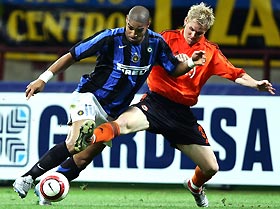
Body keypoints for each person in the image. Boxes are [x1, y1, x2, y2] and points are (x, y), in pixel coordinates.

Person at [59, 2, 275, 208]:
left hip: (181, 114)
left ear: (205, 32)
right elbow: (139, 54)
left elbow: (235, 74)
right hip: (155, 103)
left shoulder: (210, 53)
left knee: (211, 167)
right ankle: (73, 157)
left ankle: (195, 185)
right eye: (191, 29)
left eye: (198, 33)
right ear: (185, 21)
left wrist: (256, 84)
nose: (193, 35)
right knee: (119, 126)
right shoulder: (163, 40)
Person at [12, 5, 206, 204]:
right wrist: (43, 79)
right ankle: (27, 177)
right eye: (130, 27)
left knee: (82, 158)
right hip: (89, 97)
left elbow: (173, 69)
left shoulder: (156, 43)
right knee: (77, 141)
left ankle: (46, 190)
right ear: (126, 21)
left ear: (148, 25)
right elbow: (73, 54)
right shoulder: (109, 38)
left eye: (139, 29)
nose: (133, 33)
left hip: (113, 111)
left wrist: (191, 63)